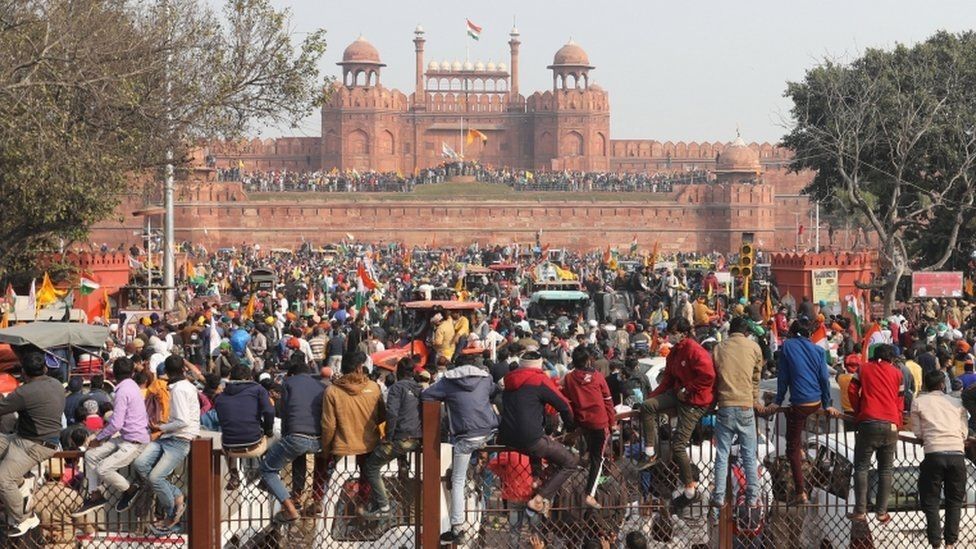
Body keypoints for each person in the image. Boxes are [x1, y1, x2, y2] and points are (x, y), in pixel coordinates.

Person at [637, 317, 715, 509]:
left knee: (678, 445)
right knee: (647, 406)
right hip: (677, 393)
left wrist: (688, 389)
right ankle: (649, 452)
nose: (670, 335)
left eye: (673, 331)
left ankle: (690, 487)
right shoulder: (674, 353)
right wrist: (652, 397)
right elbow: (667, 381)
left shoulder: (695, 350)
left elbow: (708, 376)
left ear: (683, 332)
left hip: (694, 400)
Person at [421, 353, 498, 545]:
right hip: (489, 431)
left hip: (465, 437)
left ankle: (457, 527)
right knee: (474, 466)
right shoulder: (485, 378)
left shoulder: (447, 381)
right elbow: (494, 391)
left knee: (457, 480)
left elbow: (426, 395)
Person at [767, 319, 839, 504]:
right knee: (796, 436)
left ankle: (800, 491)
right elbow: (824, 378)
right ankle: (801, 451)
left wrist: (777, 401)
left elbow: (783, 378)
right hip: (815, 403)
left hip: (799, 404)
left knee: (791, 449)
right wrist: (827, 403)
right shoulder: (817, 349)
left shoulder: (788, 347)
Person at [499, 351, 578, 517]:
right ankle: (539, 498)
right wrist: (571, 427)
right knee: (570, 462)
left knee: (537, 442)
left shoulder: (508, 380)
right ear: (540, 364)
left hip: (506, 439)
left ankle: (536, 480)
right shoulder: (539, 379)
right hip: (530, 439)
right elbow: (563, 404)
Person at [131, 355, 201, 533]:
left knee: (155, 477)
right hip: (169, 437)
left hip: (179, 438)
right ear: (182, 370)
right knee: (140, 464)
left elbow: (182, 421)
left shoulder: (179, 390)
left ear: (167, 373)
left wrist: (160, 427)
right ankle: (176, 496)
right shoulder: (183, 386)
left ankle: (172, 514)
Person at [73, 357, 149, 517]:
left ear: (114, 374)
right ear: (131, 372)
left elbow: (116, 424)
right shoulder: (132, 385)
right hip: (126, 437)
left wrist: (97, 438)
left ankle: (131, 489)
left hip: (134, 442)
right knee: (90, 455)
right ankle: (96, 495)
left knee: (103, 468)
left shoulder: (123, 391)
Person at [0, 353, 65, 537]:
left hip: (32, 445)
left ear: (23, 373)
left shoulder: (24, 392)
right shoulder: (56, 385)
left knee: (2, 480)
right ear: (45, 369)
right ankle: (21, 485)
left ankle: (24, 518)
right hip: (28, 440)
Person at [708, 316, 762, 522]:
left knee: (722, 455)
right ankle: (752, 499)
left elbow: (714, 377)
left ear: (731, 331)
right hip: (746, 405)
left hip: (725, 405)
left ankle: (719, 498)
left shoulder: (719, 348)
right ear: (747, 332)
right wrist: (754, 397)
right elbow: (756, 377)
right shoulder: (754, 348)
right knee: (749, 455)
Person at [258, 356, 324, 522]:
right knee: (298, 454)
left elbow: (285, 413)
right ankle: (297, 495)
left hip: (296, 436)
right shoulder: (321, 385)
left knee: (267, 469)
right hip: (318, 440)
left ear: (292, 374)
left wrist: (287, 436)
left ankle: (290, 509)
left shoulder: (288, 384)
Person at [912, 369, 968, 549]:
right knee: (955, 501)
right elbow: (964, 432)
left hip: (934, 454)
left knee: (931, 501)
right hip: (957, 454)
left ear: (926, 385)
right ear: (943, 385)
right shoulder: (957, 402)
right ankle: (950, 544)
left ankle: (935, 543)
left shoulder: (918, 402)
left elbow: (917, 432)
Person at [847, 344, 904, 523]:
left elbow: (852, 390)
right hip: (890, 424)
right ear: (891, 359)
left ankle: (860, 511)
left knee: (862, 467)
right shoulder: (898, 374)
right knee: (886, 470)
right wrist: (897, 421)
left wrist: (859, 411)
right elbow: (900, 401)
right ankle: (881, 512)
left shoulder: (863, 369)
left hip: (868, 422)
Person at [362, 359, 422, 518]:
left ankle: (384, 506)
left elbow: (392, 414)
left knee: (371, 466)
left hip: (400, 438)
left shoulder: (397, 388)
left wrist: (388, 437)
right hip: (415, 439)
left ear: (398, 372)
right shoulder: (419, 389)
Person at [562, 345, 615, 509]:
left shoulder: (569, 378)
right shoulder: (598, 377)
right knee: (598, 458)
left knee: (591, 454)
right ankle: (590, 494)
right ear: (588, 360)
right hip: (600, 422)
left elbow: (568, 400)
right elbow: (608, 401)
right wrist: (612, 423)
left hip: (583, 422)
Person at [215, 364, 274, 491]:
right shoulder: (258, 389)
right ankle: (267, 476)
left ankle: (233, 475)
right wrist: (268, 430)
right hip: (255, 445)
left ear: (231, 377)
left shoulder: (220, 397)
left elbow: (223, 421)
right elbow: (269, 412)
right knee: (278, 436)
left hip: (230, 448)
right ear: (249, 377)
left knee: (224, 435)